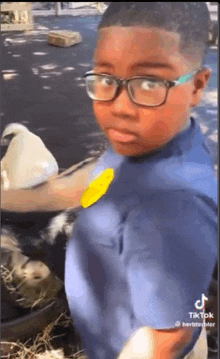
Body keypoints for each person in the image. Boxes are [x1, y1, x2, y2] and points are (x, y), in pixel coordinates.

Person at [1, 2, 218, 359]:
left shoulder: (173, 205)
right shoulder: (138, 145)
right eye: (106, 79)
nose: (118, 106)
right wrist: (7, 199)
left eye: (149, 82)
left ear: (197, 86)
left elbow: (167, 337)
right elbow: (83, 183)